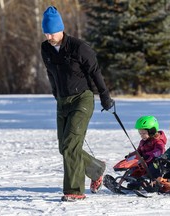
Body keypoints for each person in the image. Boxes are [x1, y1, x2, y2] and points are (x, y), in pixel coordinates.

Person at [40, 6, 115, 202]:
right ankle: (96, 169)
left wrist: (105, 96)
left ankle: (74, 190)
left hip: (82, 98)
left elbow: (95, 71)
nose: (49, 36)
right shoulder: (45, 48)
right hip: (62, 101)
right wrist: (56, 93)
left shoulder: (78, 47)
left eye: (52, 32)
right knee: (64, 147)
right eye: (46, 32)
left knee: (71, 145)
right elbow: (51, 73)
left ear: (61, 29)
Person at [124, 116, 167, 189]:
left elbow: (159, 151)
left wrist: (148, 155)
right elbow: (139, 151)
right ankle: (135, 182)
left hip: (156, 162)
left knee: (153, 167)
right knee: (134, 166)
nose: (141, 136)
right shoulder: (143, 141)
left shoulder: (158, 141)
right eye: (140, 133)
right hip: (144, 161)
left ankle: (155, 183)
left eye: (144, 133)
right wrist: (132, 155)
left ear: (152, 131)